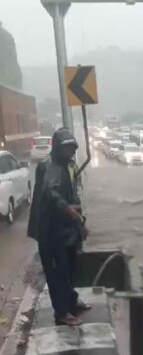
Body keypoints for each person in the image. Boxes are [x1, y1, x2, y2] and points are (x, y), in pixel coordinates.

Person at [26, 128, 91, 326]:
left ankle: (72, 301)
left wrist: (80, 222)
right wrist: (69, 211)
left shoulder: (69, 165)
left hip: (68, 229)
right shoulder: (48, 166)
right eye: (66, 148)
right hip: (50, 231)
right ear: (57, 148)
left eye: (72, 148)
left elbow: (73, 195)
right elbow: (50, 193)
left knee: (71, 268)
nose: (70, 152)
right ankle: (62, 312)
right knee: (57, 273)